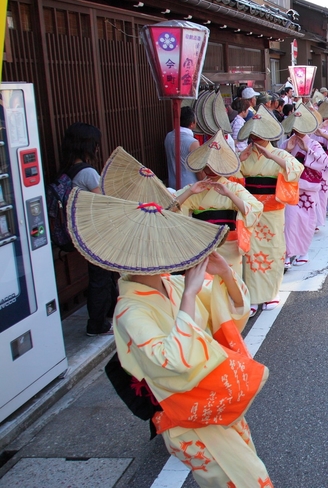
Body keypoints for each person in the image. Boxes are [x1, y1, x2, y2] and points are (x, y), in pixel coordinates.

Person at [66, 188, 271, 488]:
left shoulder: (172, 283)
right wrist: (189, 294)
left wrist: (225, 272)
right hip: (185, 413)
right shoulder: (130, 311)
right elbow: (171, 360)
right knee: (244, 480)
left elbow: (223, 315)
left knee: (247, 474)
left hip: (214, 398)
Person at [236, 106, 304, 316]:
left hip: (272, 211)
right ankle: (253, 296)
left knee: (272, 250)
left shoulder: (279, 154)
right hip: (250, 210)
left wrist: (272, 156)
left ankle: (270, 292)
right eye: (252, 134)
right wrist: (239, 159)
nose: (255, 137)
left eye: (258, 134)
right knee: (249, 252)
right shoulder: (245, 155)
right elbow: (233, 179)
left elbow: (296, 170)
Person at [173, 130, 263, 275]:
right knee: (205, 288)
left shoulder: (233, 188)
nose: (210, 170)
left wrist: (229, 194)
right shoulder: (195, 189)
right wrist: (189, 192)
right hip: (202, 246)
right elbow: (169, 209)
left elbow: (255, 208)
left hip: (229, 245)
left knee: (231, 285)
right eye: (207, 166)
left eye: (215, 166)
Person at [60, 123, 117, 336]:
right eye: (94, 144)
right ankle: (97, 324)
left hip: (82, 230)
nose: (96, 149)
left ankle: (108, 313)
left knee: (103, 275)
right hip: (95, 232)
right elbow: (105, 200)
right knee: (100, 278)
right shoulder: (87, 172)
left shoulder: (67, 169)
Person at [282, 103, 326, 267]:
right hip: (291, 188)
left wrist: (307, 149)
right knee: (289, 221)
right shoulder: (287, 143)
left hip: (307, 189)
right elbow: (278, 162)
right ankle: (287, 254)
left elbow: (323, 162)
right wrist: (287, 150)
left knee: (305, 221)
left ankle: (303, 251)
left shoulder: (314, 144)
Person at [164, 106, 200, 189]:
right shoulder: (193, 142)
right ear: (192, 123)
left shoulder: (168, 136)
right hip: (190, 185)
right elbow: (199, 170)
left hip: (172, 183)